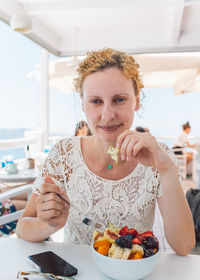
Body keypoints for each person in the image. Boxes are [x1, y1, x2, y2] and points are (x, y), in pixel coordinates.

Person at [16, 48, 195, 255]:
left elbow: (183, 246)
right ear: (83, 106)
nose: (107, 115)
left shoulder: (159, 156)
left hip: (135, 277)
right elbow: (23, 227)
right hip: (77, 278)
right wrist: (50, 225)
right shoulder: (64, 155)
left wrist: (167, 171)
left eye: (119, 99)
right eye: (96, 101)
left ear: (137, 101)